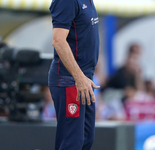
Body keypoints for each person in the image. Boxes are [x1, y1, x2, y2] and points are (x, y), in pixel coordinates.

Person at [48, 0, 100, 149]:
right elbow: (58, 41)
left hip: (84, 79)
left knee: (86, 140)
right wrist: (79, 77)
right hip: (70, 80)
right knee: (72, 143)